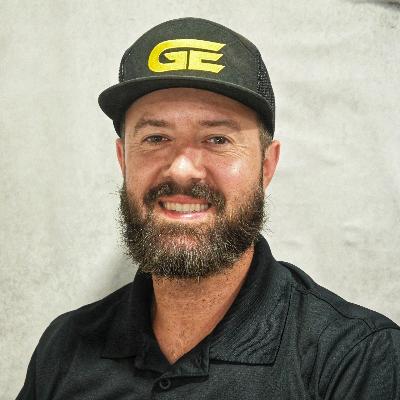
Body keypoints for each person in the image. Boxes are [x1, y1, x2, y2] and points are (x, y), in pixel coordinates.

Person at [17, 17, 400, 400]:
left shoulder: (357, 361)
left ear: (266, 166)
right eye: (156, 138)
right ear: (123, 161)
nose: (182, 169)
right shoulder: (64, 350)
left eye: (217, 139)